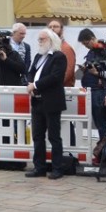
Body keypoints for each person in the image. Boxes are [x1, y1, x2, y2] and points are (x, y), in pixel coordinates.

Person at [25, 28, 68, 180]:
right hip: (37, 100)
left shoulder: (59, 56)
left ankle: (57, 168)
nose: (39, 42)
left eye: (42, 39)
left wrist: (35, 85)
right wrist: (30, 83)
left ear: (51, 40)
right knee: (37, 136)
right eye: (39, 39)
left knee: (54, 136)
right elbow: (31, 72)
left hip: (51, 101)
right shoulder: (38, 56)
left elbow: (55, 77)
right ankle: (39, 167)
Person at [76, 28, 106, 137]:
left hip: (99, 91)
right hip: (93, 90)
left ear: (92, 38)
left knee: (101, 121)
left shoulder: (104, 51)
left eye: (86, 43)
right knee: (98, 121)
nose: (86, 46)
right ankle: (103, 145)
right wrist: (85, 69)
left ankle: (105, 145)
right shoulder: (93, 51)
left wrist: (97, 73)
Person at [47, 20, 77, 88]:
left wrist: (54, 85)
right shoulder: (48, 48)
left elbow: (68, 71)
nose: (52, 29)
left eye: (55, 26)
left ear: (62, 30)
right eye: (50, 27)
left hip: (61, 89)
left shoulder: (66, 48)